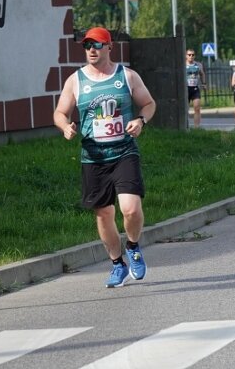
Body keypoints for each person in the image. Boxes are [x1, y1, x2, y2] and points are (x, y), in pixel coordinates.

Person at [54, 27, 157, 287]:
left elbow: (149, 103)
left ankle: (132, 246)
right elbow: (60, 112)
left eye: (97, 45)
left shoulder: (127, 76)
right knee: (103, 214)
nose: (91, 50)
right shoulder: (75, 80)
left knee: (130, 209)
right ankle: (116, 264)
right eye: (87, 45)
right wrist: (65, 126)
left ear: (110, 47)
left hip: (124, 151)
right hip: (94, 157)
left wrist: (141, 120)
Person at [185, 49, 207, 128]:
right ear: (186, 56)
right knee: (185, 109)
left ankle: (196, 127)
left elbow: (202, 74)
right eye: (189, 55)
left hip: (195, 88)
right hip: (185, 89)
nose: (191, 56)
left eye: (193, 55)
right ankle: (185, 126)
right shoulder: (183, 65)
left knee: (197, 107)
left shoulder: (198, 65)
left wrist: (204, 84)